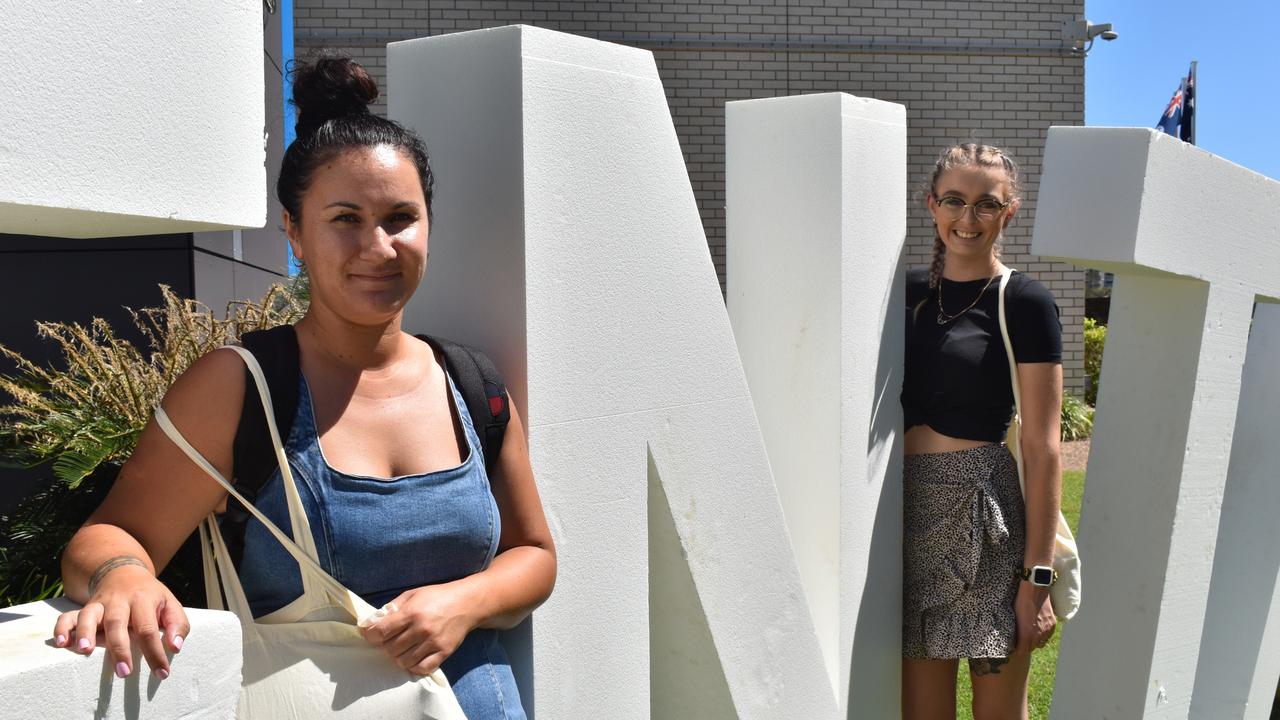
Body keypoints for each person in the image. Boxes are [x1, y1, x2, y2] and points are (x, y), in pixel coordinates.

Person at [53, 56, 555, 719]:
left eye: (400, 218)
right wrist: (122, 576)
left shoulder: (471, 384)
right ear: (294, 231)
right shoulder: (242, 388)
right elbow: (113, 533)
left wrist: (463, 603)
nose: (378, 247)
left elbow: (533, 553)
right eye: (345, 218)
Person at [900, 143, 1062, 719]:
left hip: (985, 517)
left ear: (1009, 211)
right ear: (931, 205)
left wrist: (1036, 581)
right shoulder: (906, 295)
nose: (967, 219)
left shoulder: (1024, 301)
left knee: (998, 713)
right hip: (905, 518)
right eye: (954, 201)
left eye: (986, 205)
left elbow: (1044, 452)